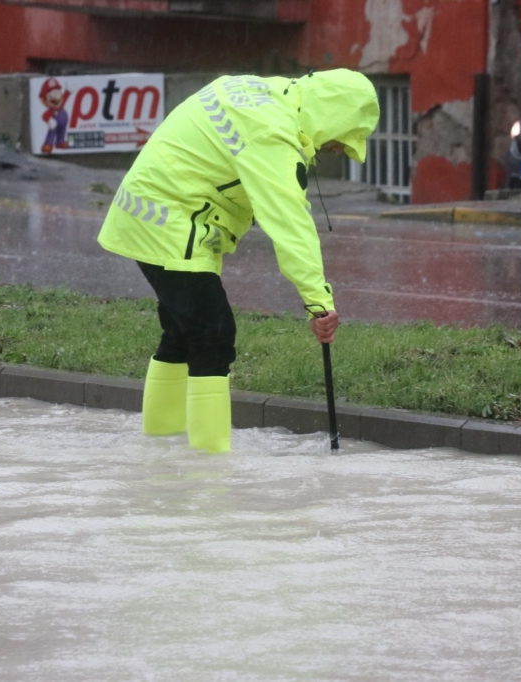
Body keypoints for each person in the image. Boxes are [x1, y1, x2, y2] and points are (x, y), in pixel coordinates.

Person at [97, 68, 380, 453]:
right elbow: (289, 225)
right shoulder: (271, 135)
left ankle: (160, 450)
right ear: (333, 117)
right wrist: (319, 304)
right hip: (172, 225)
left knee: (182, 333)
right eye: (340, 142)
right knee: (213, 334)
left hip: (153, 214)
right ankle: (209, 468)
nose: (335, 151)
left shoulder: (260, 92)